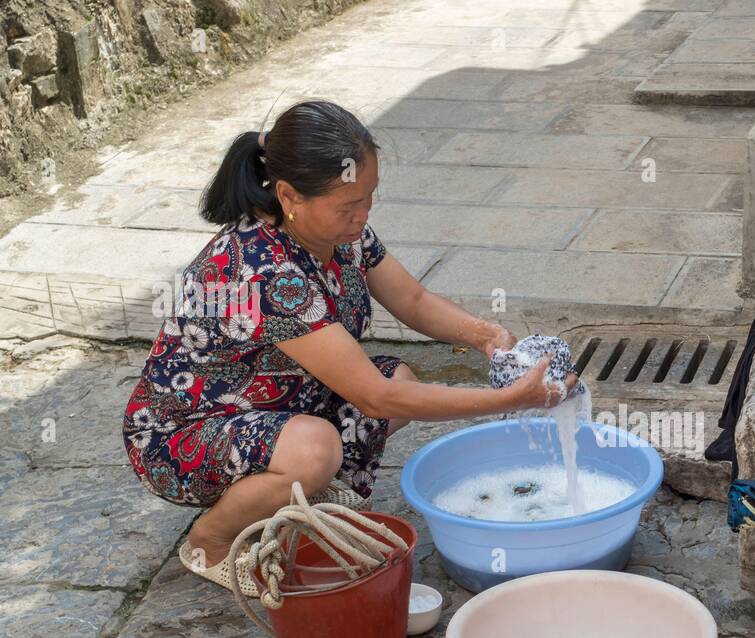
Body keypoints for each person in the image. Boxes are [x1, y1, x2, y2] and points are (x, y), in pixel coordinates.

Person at [121, 100, 574, 594]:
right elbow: (372, 400)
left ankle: (297, 491)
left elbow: (414, 299)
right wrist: (507, 401)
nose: (363, 214)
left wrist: (486, 336)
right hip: (186, 434)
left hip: (278, 402)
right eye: (349, 204)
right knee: (320, 448)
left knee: (398, 377)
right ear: (290, 195)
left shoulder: (338, 230)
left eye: (368, 197)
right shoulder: (264, 273)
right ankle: (210, 538)